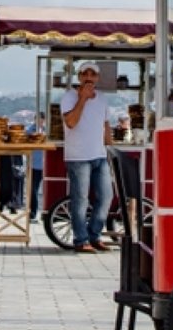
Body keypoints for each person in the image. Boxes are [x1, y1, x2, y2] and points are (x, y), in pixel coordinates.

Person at [61, 62, 114, 253]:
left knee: (107, 196)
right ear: (79, 77)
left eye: (93, 74)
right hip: (78, 157)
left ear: (98, 78)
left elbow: (106, 124)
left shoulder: (103, 99)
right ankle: (80, 240)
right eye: (85, 74)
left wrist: (110, 148)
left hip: (99, 154)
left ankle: (94, 235)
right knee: (81, 199)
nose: (89, 77)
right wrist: (82, 98)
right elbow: (71, 122)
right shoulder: (69, 97)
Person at [28, 112, 46, 222]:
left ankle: (46, 211)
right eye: (37, 119)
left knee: (48, 189)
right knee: (33, 190)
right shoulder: (30, 130)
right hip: (34, 164)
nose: (39, 121)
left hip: (45, 165)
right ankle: (33, 213)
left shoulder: (46, 131)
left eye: (41, 119)